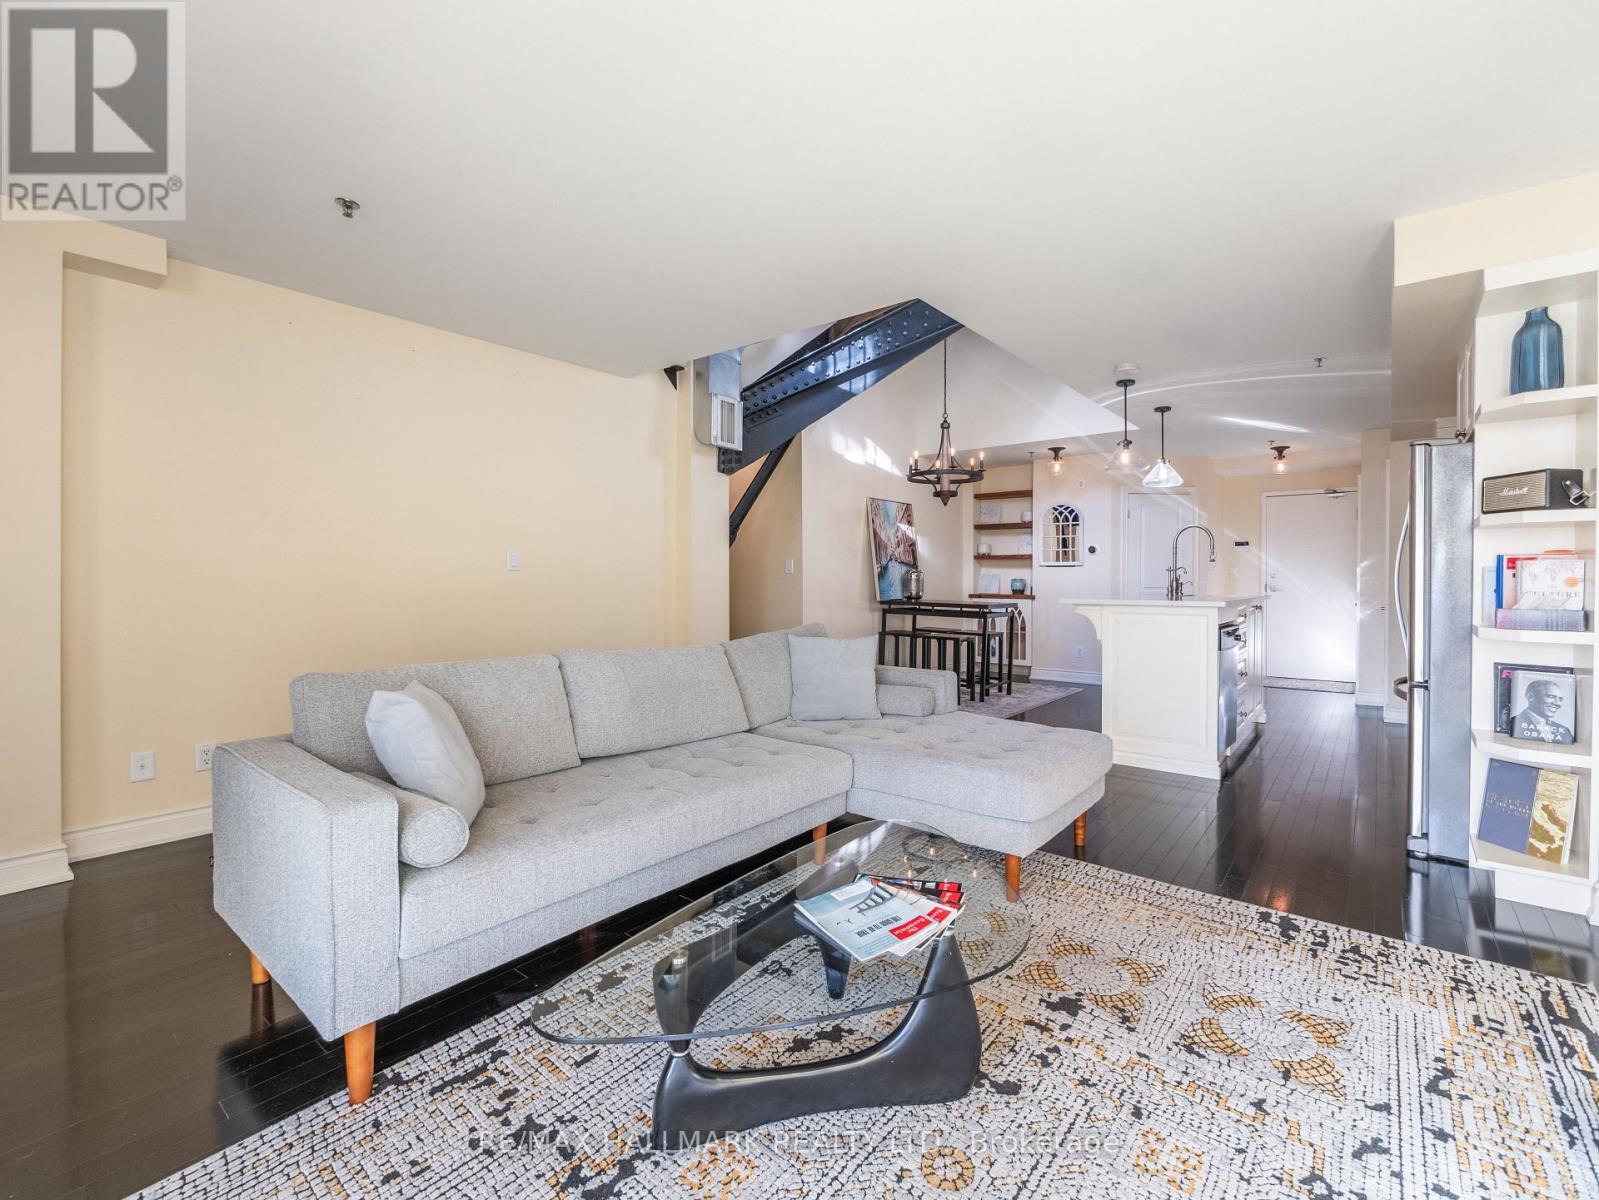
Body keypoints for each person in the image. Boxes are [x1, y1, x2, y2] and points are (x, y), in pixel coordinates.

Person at [1512, 679, 1575, 744]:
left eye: (1560, 699)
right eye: (1551, 696)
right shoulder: (1513, 724)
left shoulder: (1565, 731)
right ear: (1530, 697)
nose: (1558, 703)